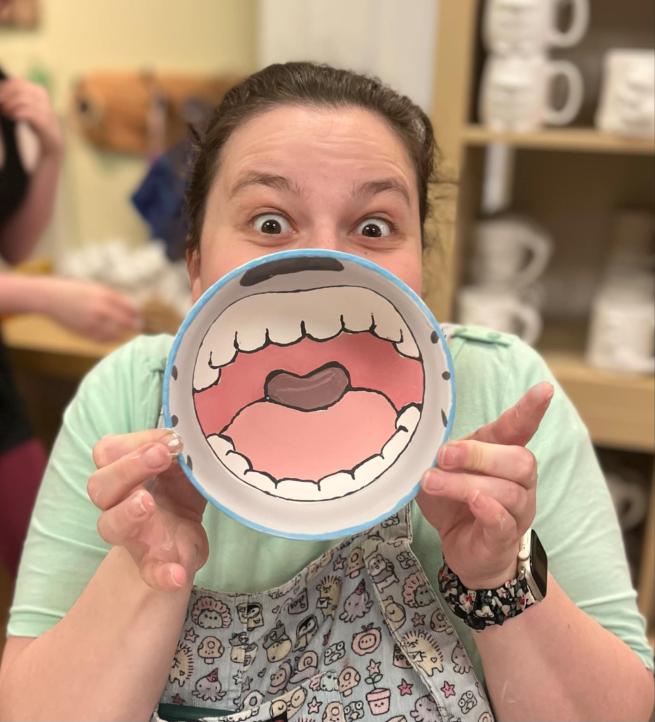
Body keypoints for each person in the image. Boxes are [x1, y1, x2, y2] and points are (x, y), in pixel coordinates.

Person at [0, 62, 653, 722]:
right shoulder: (132, 400)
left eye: (372, 227)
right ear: (196, 264)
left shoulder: (500, 391)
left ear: (420, 267)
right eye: (270, 221)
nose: (317, 262)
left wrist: (498, 576)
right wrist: (146, 569)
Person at [0, 71, 140, 575]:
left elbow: (12, 247)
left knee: (48, 571)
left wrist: (51, 152)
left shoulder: (8, 91)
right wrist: (49, 297)